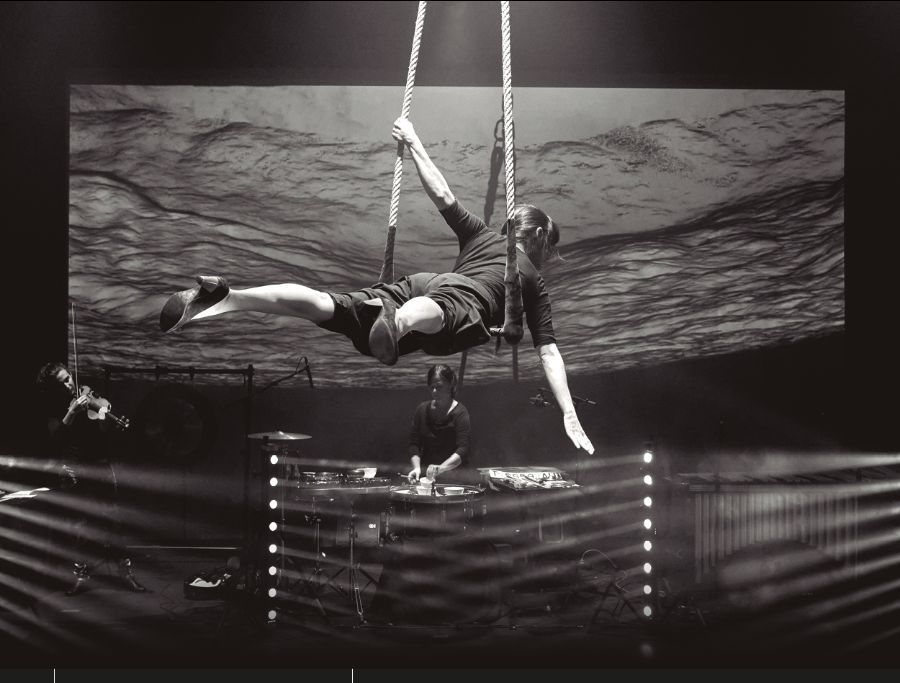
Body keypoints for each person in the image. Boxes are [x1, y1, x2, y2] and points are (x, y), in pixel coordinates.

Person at [160, 116, 594, 455]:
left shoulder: (482, 236)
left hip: (422, 283)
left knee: (327, 305)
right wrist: (569, 411)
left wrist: (414, 140)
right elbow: (549, 352)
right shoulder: (531, 278)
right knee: (442, 317)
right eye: (549, 249)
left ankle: (231, 297)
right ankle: (398, 321)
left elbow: (443, 196)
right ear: (540, 238)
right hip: (456, 301)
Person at [35, 363, 147, 596]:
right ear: (54, 388)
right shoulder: (52, 407)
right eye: (63, 382)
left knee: (113, 519)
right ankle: (81, 575)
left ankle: (126, 573)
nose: (70, 384)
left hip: (99, 464)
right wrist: (71, 412)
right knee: (81, 523)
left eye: (69, 377)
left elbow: (102, 432)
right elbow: (55, 440)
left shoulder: (87, 395)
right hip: (74, 468)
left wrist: (105, 416)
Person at [408, 364, 470, 483]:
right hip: (426, 477)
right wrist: (416, 468)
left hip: (454, 478)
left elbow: (463, 449)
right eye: (432, 387)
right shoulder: (421, 410)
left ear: (450, 385)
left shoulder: (460, 413)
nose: (434, 391)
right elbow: (414, 444)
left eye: (439, 387)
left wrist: (440, 468)